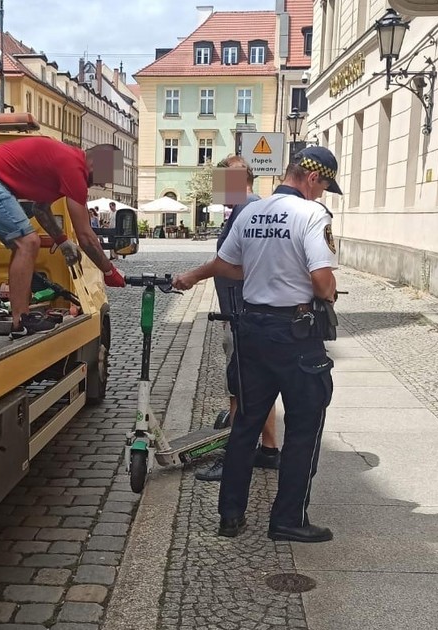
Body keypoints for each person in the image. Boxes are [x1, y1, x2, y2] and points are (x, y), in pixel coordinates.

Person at [172, 146, 342, 543]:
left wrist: (199, 275)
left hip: (251, 330)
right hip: (296, 335)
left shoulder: (250, 211)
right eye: (323, 186)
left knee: (246, 424)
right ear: (312, 178)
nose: (322, 195)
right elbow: (321, 279)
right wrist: (330, 294)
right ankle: (287, 521)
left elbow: (227, 265)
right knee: (303, 427)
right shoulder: (312, 214)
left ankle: (230, 515)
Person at [0, 137, 125, 338]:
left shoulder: (64, 162)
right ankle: (20, 321)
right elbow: (85, 237)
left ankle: (20, 318)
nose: (103, 182)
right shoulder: (74, 168)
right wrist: (110, 272)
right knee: (28, 242)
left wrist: (62, 241)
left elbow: (40, 209)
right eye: (105, 174)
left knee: (22, 244)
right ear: (97, 162)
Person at [194, 155, 281, 482]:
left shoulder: (248, 210)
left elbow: (237, 263)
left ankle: (234, 460)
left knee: (239, 389)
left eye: (223, 180)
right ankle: (269, 450)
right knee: (256, 386)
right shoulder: (246, 210)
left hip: (243, 313)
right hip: (242, 312)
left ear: (239, 180)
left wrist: (193, 275)